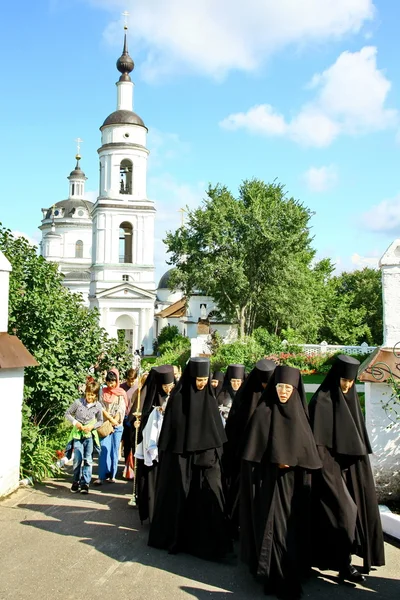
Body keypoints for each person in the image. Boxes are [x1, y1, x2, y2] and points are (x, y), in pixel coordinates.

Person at [240, 365, 321, 600]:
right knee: (272, 528)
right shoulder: (263, 413)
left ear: (295, 390)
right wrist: (271, 462)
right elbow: (252, 455)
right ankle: (272, 575)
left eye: (288, 388)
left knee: (290, 529)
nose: (283, 392)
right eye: (279, 387)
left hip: (293, 488)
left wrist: (292, 461)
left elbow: (307, 456)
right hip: (269, 485)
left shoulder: (301, 418)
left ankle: (290, 572)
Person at [309, 355, 385, 581]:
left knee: (357, 512)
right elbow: (317, 443)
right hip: (327, 468)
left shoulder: (350, 400)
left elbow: (356, 439)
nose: (347, 385)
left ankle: (345, 564)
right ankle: (343, 564)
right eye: (344, 380)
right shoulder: (321, 401)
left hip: (350, 468)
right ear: (336, 378)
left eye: (351, 382)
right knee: (346, 513)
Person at [148, 358, 233, 561]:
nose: (202, 383)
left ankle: (207, 544)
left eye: (205, 379)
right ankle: (176, 538)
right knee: (179, 498)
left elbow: (216, 437)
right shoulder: (178, 401)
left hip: (204, 463)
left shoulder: (210, 401)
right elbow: (170, 437)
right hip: (181, 462)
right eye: (198, 379)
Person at [224, 359, 276, 536]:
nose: (265, 387)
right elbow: (234, 426)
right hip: (243, 456)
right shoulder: (246, 398)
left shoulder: (274, 398)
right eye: (263, 383)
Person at [134, 365, 175, 523]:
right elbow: (144, 419)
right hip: (154, 449)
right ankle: (153, 515)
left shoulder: (177, 397)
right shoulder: (153, 397)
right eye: (165, 386)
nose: (168, 389)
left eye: (171, 386)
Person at [65, 380, 103, 494]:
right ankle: (75, 481)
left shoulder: (98, 406)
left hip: (89, 436)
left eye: (92, 395)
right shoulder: (78, 402)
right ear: (85, 393)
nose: (89, 397)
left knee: (88, 460)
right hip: (78, 434)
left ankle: (85, 483)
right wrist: (76, 423)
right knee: (77, 459)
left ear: (96, 395)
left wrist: (92, 427)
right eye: (88, 394)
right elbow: (67, 413)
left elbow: (100, 421)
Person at [94, 368, 127, 485]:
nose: (110, 384)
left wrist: (115, 422)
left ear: (117, 381)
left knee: (114, 449)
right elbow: (100, 407)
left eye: (113, 381)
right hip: (105, 424)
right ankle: (101, 476)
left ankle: (112, 475)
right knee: (103, 449)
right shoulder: (103, 392)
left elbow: (121, 409)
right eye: (108, 381)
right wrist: (110, 420)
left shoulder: (121, 393)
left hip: (117, 425)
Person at [120, 368, 139, 476]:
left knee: (134, 443)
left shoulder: (138, 388)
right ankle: (127, 466)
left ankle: (133, 465)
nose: (131, 383)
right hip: (124, 417)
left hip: (134, 418)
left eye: (133, 380)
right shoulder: (122, 387)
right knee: (126, 442)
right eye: (129, 380)